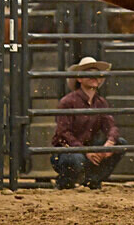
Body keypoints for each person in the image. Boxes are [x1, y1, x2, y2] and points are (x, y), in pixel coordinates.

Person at [51, 57, 127, 189]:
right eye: (89, 73)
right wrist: (85, 151)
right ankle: (66, 181)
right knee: (74, 159)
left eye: (96, 74)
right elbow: (63, 133)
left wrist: (109, 143)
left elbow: (111, 126)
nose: (94, 77)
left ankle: (93, 179)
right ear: (79, 79)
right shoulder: (68, 102)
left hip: (87, 147)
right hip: (68, 150)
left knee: (120, 144)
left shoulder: (101, 102)